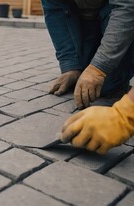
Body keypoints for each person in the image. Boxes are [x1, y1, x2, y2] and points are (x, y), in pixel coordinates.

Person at [41, 0, 134, 154]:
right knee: (86, 77)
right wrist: (71, 67)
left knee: (107, 85)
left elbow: (128, 7)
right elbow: (55, 10)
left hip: (116, 12)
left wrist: (125, 116)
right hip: (87, 20)